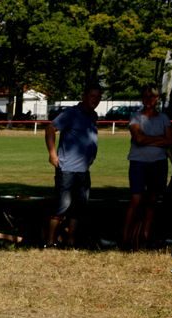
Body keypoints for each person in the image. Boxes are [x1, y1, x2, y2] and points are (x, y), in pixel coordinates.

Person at [44, 84, 102, 248]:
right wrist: (52, 154)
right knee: (62, 205)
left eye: (98, 97)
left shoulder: (93, 115)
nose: (95, 100)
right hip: (67, 169)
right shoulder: (71, 114)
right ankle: (50, 242)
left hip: (84, 170)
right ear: (84, 96)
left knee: (79, 207)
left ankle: (71, 241)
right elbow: (50, 128)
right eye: (92, 96)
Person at [122, 85, 172, 250]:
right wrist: (159, 139)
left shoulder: (164, 118)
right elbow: (138, 139)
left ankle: (145, 235)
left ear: (157, 98)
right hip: (138, 163)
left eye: (152, 96)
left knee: (152, 200)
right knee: (136, 199)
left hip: (158, 163)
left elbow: (170, 141)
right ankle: (125, 236)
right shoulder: (136, 117)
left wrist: (148, 139)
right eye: (146, 96)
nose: (149, 100)